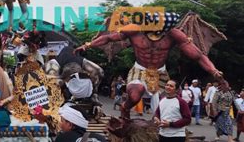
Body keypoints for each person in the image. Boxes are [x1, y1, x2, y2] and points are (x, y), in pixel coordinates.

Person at [75, 12, 223, 118]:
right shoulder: (134, 30)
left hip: (160, 72)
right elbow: (108, 38)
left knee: (166, 107)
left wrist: (214, 70)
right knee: (135, 94)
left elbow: (198, 56)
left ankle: (156, 128)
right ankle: (125, 109)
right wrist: (87, 45)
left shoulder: (174, 34)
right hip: (139, 70)